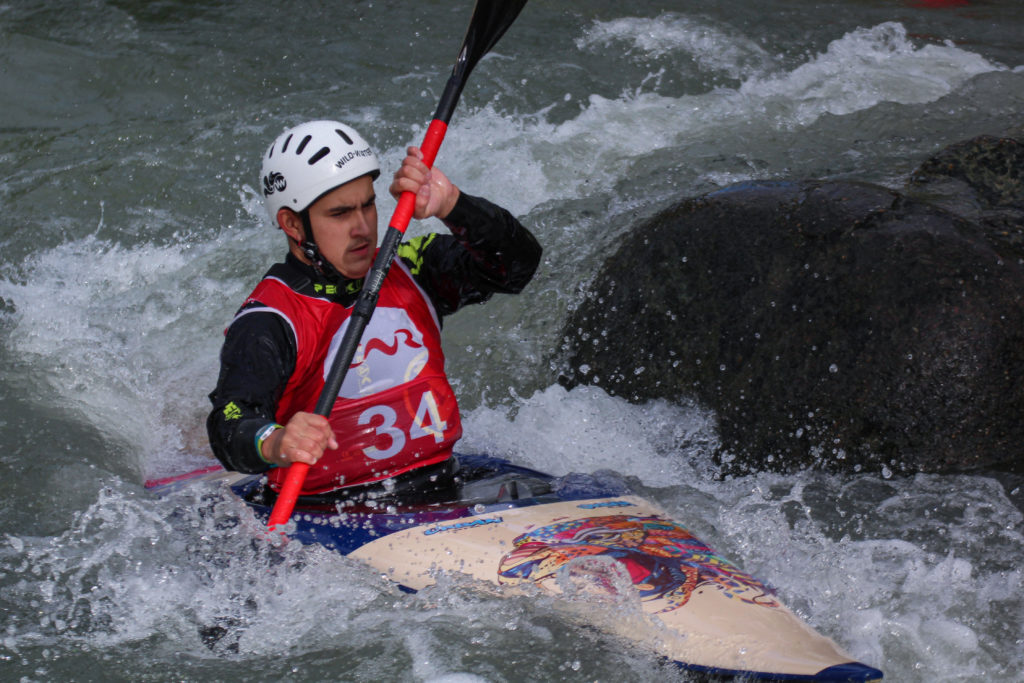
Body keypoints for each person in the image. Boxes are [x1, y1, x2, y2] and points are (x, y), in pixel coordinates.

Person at [206, 120, 542, 498]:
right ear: (292, 224)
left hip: (444, 481)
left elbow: (517, 267)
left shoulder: (409, 268)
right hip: (335, 510)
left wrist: (453, 205)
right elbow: (230, 420)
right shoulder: (270, 320)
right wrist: (274, 440)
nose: (362, 227)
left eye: (368, 205)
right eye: (340, 213)